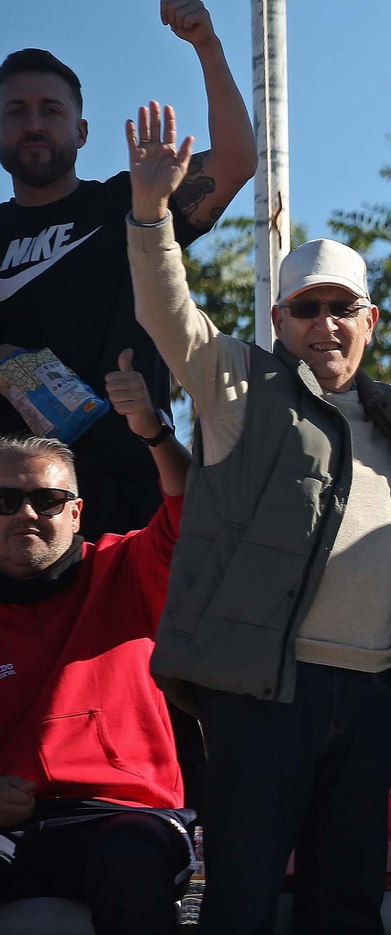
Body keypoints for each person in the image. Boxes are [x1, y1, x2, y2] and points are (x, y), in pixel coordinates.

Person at [123, 103, 391, 935]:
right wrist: (149, 212)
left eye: (342, 307)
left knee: (346, 902)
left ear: (370, 321)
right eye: (306, 309)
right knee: (242, 897)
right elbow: (167, 312)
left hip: (371, 692)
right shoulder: (239, 386)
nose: (325, 324)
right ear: (278, 321)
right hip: (263, 692)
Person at [0, 0, 254, 541]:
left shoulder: (131, 200)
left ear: (82, 131)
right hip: (12, 513)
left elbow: (236, 163)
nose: (34, 123)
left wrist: (208, 46)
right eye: (16, 111)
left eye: (51, 110)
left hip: (126, 497)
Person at [0, 353, 194, 934]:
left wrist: (155, 433)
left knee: (132, 860)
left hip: (123, 816)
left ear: (76, 512)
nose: (26, 514)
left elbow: (195, 509)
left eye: (47, 501)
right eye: (4, 501)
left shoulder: (126, 566)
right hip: (10, 827)